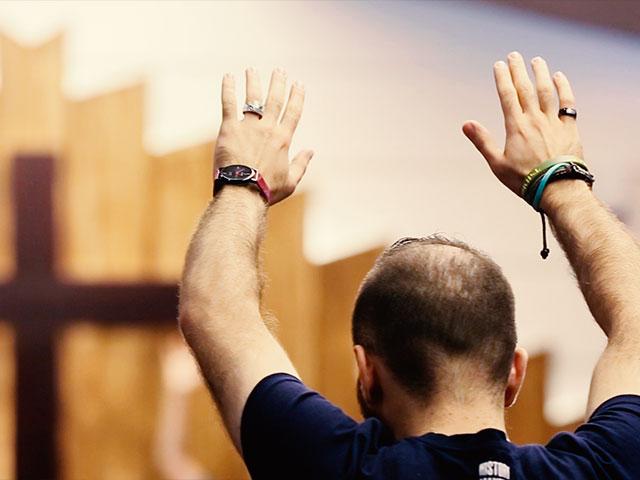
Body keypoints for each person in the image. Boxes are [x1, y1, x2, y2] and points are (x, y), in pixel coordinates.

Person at [178, 54, 640, 479]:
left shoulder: (332, 467)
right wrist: (561, 183)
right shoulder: (603, 469)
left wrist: (243, 177)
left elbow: (215, 311)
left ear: (367, 373)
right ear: (514, 373)